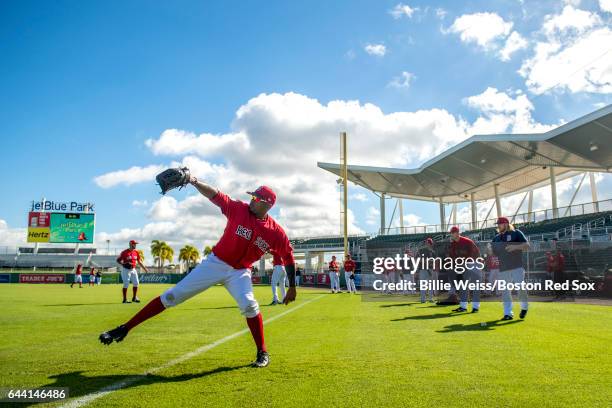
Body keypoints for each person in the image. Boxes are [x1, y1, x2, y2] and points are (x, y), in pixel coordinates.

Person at [99, 180, 297, 368]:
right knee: (172, 296)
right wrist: (193, 180)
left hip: (240, 272)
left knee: (249, 305)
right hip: (216, 263)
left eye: (256, 198)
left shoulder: (276, 232)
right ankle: (125, 328)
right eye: (252, 196)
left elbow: (288, 256)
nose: (252, 199)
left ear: (266, 205)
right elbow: (216, 195)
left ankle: (262, 352)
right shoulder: (239, 209)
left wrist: (292, 288)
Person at [492, 217, 530, 320]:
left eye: (500, 224)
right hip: (503, 268)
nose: (498, 226)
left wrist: (515, 247)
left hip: (517, 266)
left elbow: (527, 245)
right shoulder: (496, 238)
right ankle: (508, 313)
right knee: (505, 291)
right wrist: (489, 250)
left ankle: (524, 307)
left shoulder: (516, 233)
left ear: (506, 224)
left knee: (520, 287)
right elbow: (494, 253)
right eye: (498, 224)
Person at [449, 226, 482, 313]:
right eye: (451, 233)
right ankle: (463, 306)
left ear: (457, 233)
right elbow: (453, 257)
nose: (452, 234)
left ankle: (475, 307)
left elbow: (475, 254)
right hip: (463, 264)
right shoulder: (453, 244)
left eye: (453, 232)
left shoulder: (467, 241)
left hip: (474, 262)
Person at [418, 238, 436, 303]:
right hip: (422, 269)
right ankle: (423, 299)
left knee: (431, 285)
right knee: (423, 285)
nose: (427, 244)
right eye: (426, 243)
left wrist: (428, 262)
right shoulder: (421, 250)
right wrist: (423, 261)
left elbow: (433, 261)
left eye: (429, 243)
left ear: (431, 244)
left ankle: (431, 298)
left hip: (430, 269)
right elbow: (417, 259)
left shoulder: (433, 252)